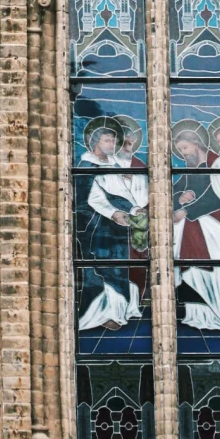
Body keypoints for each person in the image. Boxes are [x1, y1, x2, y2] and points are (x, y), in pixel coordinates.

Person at [172, 116, 220, 335]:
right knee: (187, 260)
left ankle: (217, 312)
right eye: (180, 151)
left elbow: (218, 196)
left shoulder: (218, 163)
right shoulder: (190, 167)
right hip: (193, 223)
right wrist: (180, 196)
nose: (184, 154)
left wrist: (188, 210)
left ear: (196, 143)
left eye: (185, 148)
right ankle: (197, 314)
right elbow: (174, 188)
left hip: (215, 223)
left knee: (197, 254)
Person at [77, 116, 150, 333]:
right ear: (95, 143)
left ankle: (118, 312)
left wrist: (134, 210)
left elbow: (121, 193)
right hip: (97, 227)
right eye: (107, 141)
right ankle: (102, 314)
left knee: (119, 269)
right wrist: (113, 213)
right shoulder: (86, 165)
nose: (112, 145)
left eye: (112, 141)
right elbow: (90, 199)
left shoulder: (114, 165)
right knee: (104, 269)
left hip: (117, 227)